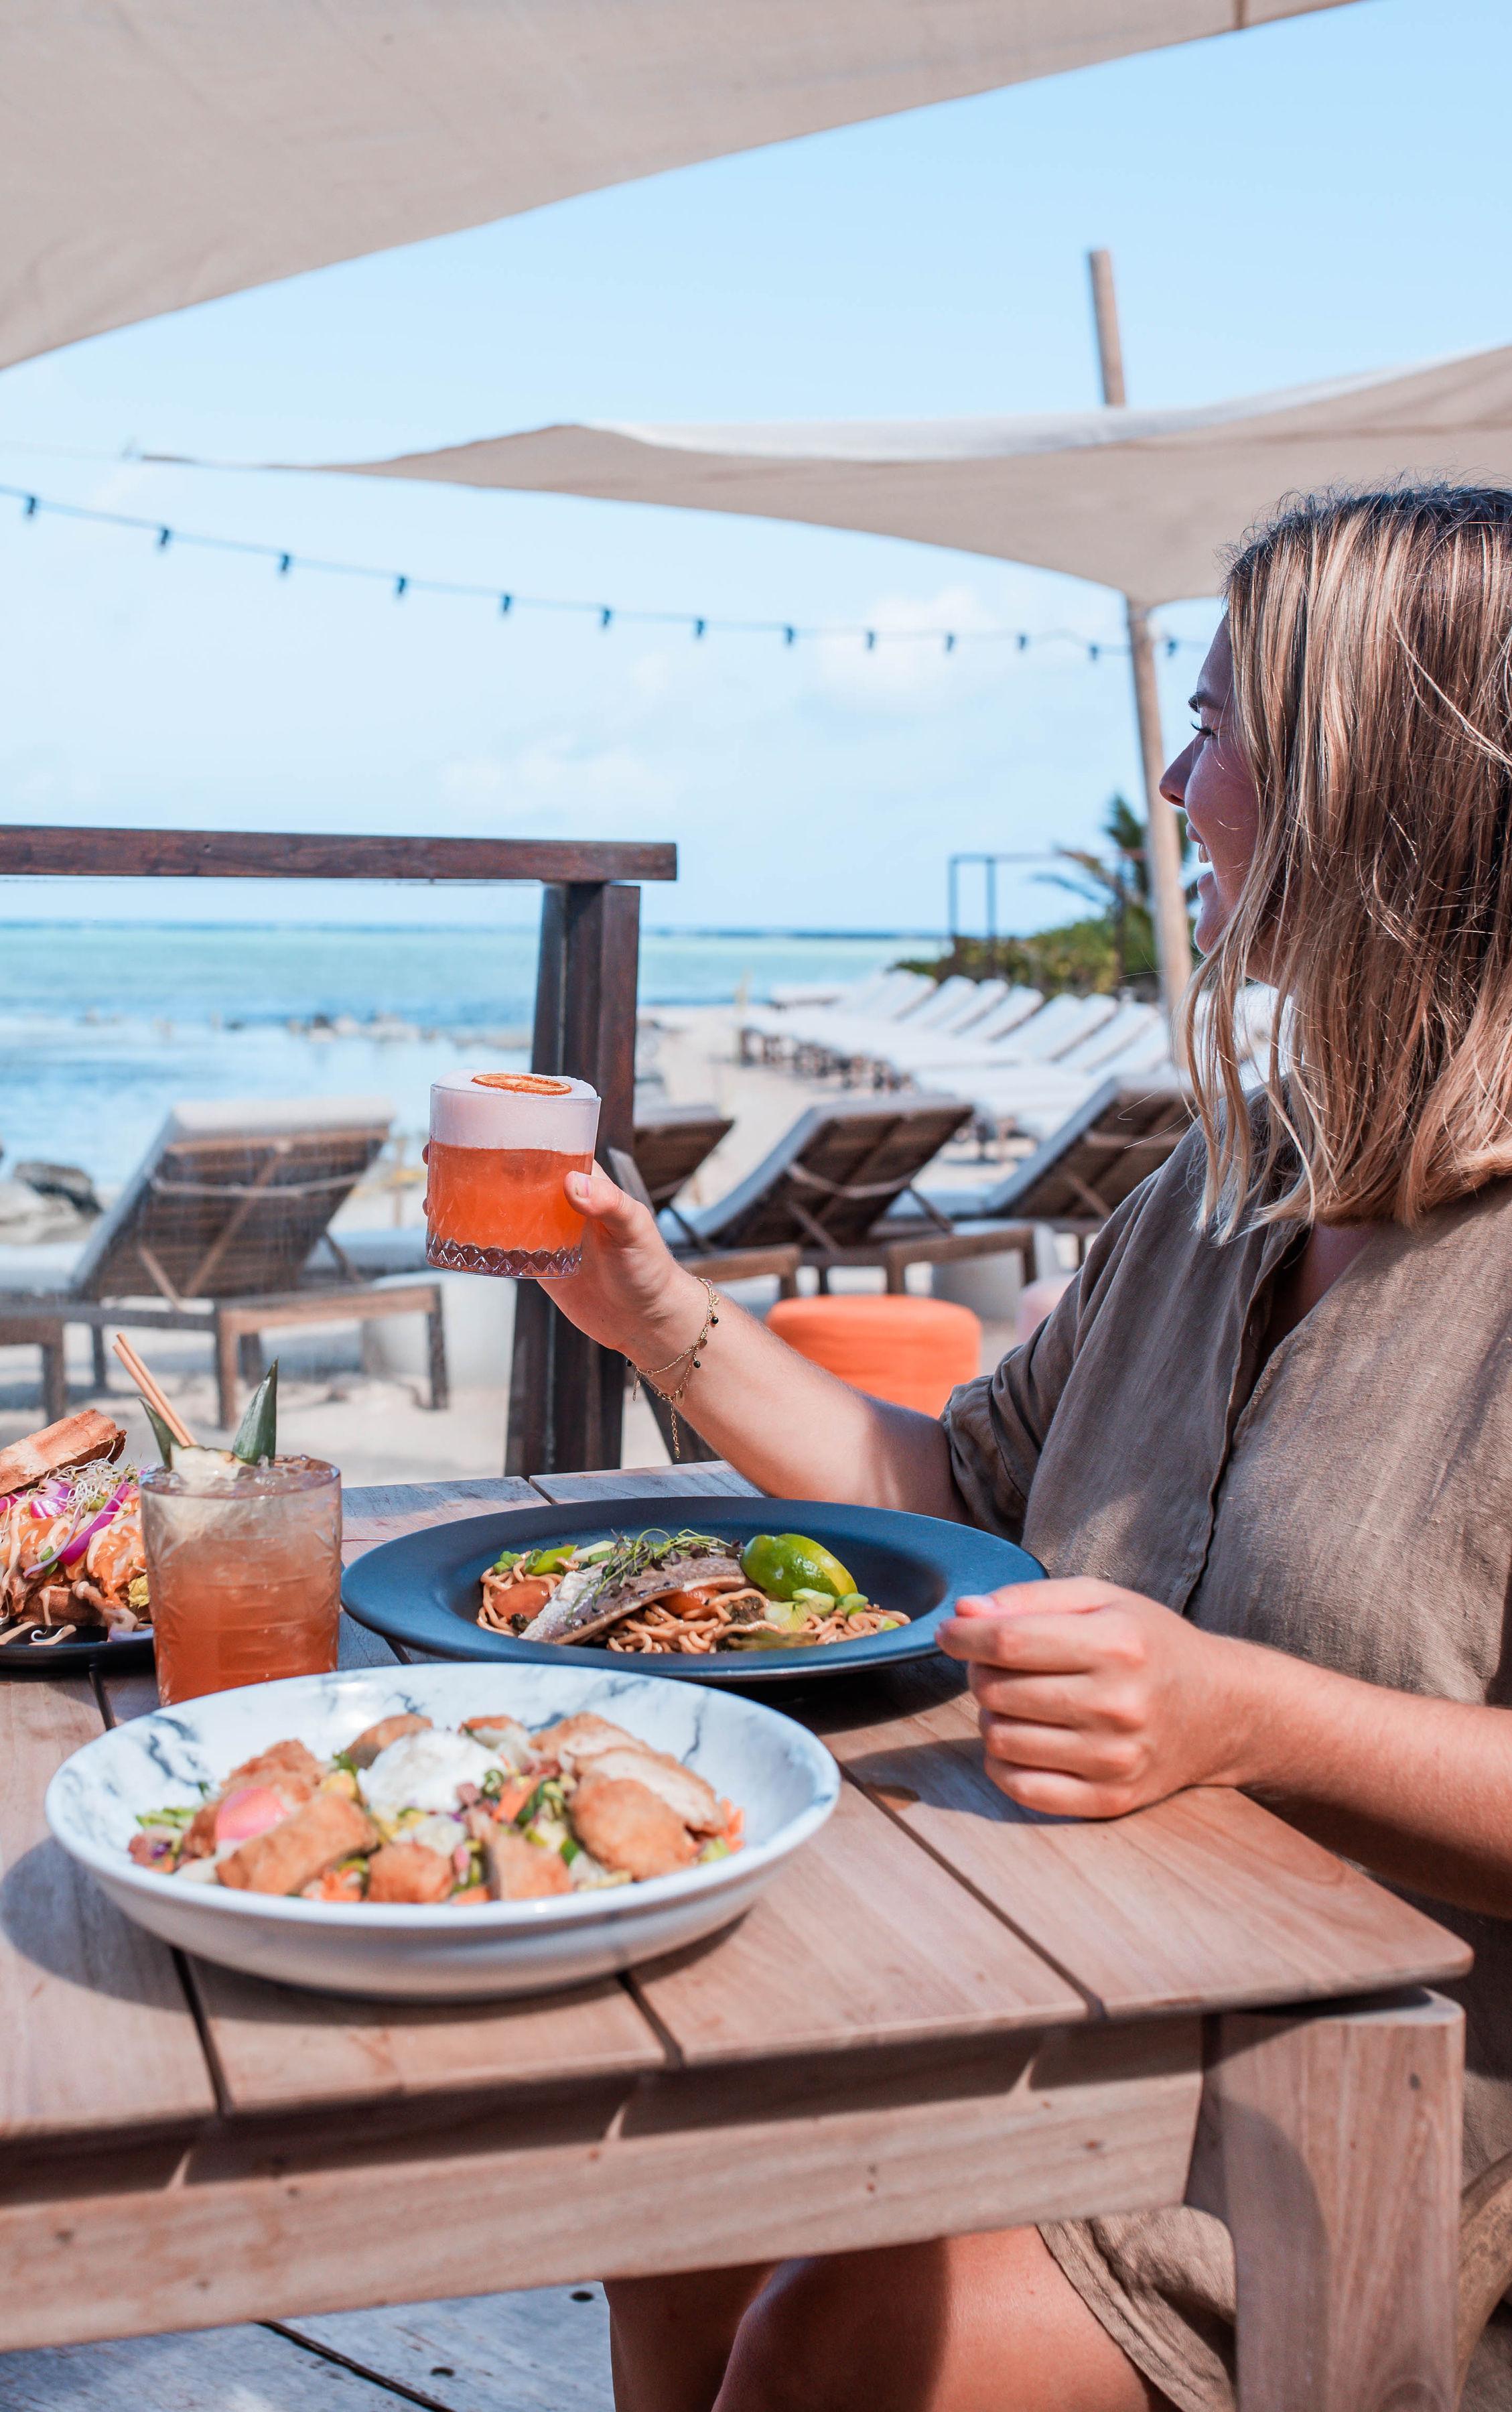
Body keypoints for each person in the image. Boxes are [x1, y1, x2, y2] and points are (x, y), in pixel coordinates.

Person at [551, 484, 1512, 2412]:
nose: (1171, 780)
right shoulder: (1230, 1179)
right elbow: (964, 1504)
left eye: (1222, 725)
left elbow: (1231, 1699)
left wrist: (1249, 1715)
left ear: (1376, 787)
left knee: (831, 2361)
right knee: (655, 2182)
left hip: (1383, 2096)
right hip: (1051, 1977)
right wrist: (648, 1308)